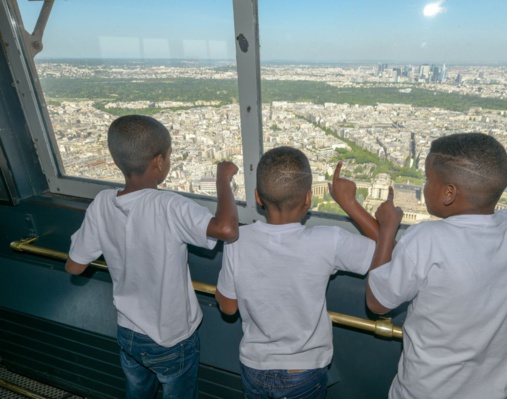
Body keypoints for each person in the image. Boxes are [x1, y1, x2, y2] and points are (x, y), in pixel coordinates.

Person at [366, 133, 507, 399]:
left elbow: (377, 303)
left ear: (449, 193)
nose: (423, 187)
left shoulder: (427, 239)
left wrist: (388, 228)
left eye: (427, 180)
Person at [65, 114, 239, 399]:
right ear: (159, 162)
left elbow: (74, 266)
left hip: (128, 332)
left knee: (137, 392)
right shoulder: (168, 205)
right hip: (171, 338)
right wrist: (223, 178)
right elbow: (227, 229)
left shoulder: (102, 202)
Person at [215, 146, 402, 399]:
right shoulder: (328, 240)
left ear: (258, 197)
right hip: (305, 369)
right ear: (308, 199)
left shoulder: (237, 240)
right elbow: (387, 250)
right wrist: (350, 203)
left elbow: (228, 307)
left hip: (255, 366)